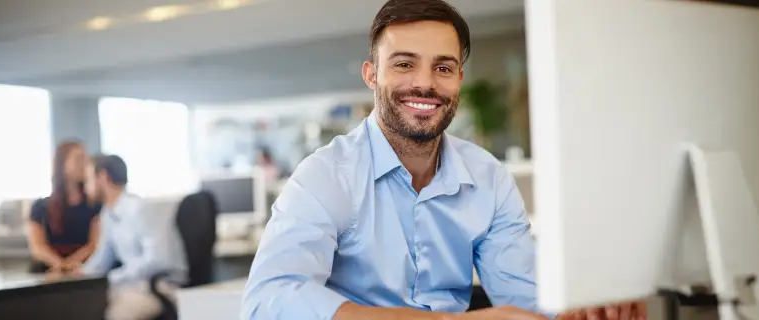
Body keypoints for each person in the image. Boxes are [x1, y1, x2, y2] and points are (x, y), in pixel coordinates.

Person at [241, 1, 647, 319]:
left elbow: (525, 296)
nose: (424, 83)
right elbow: (268, 300)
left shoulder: (487, 178)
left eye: (443, 67)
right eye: (404, 64)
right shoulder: (328, 175)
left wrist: (587, 305)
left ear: (459, 80)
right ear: (371, 75)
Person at [77, 155, 188, 320]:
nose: (85, 188)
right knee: (81, 305)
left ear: (102, 177)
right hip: (132, 285)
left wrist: (115, 277)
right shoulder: (108, 214)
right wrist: (78, 274)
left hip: (159, 286)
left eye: (88, 180)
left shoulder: (139, 209)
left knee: (115, 315)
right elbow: (102, 258)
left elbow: (157, 260)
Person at [27, 140, 101, 274]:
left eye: (86, 159)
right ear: (62, 163)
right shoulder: (40, 206)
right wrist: (59, 264)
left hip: (83, 270)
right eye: (79, 159)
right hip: (47, 271)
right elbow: (37, 246)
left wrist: (70, 264)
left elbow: (94, 244)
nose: (84, 165)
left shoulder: (95, 206)